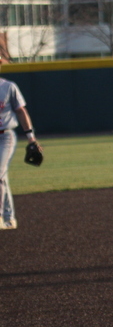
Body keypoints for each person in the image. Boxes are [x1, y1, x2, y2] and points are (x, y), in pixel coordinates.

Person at [0, 76, 41, 230]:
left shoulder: (9, 86)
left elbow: (21, 110)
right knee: (1, 177)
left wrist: (31, 138)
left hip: (6, 136)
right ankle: (9, 219)